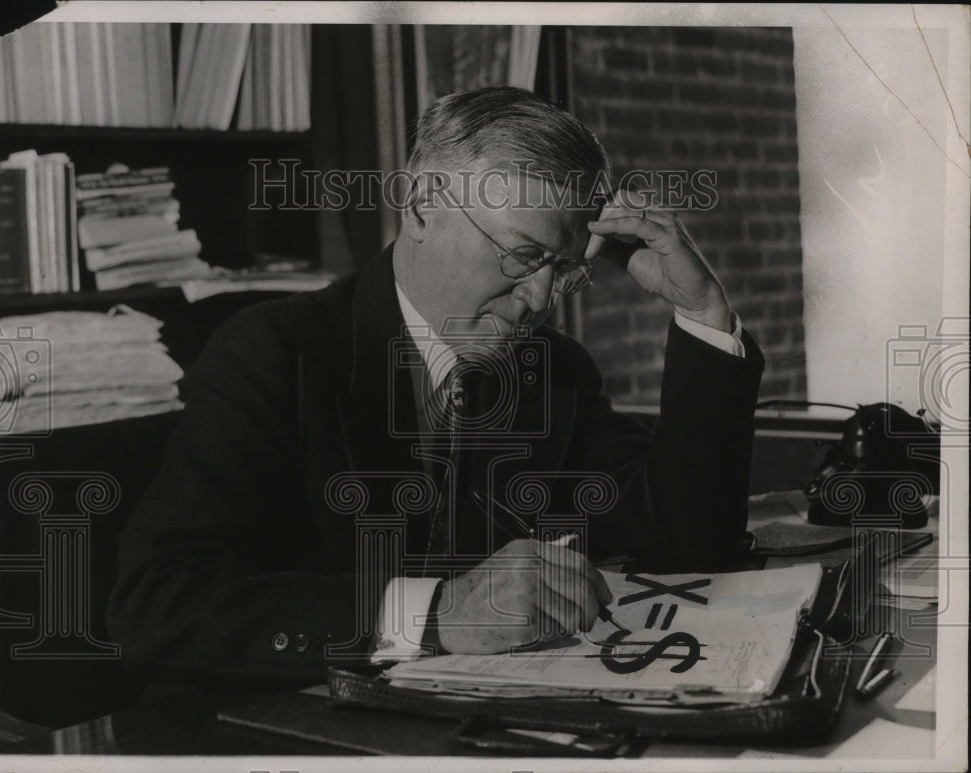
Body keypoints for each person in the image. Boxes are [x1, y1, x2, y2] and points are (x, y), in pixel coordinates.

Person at [107, 86, 764, 686]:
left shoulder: (553, 370)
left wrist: (702, 311)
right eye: (523, 254)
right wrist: (436, 613)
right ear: (421, 206)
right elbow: (157, 603)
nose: (538, 299)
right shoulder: (275, 353)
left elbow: (687, 543)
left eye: (565, 270)